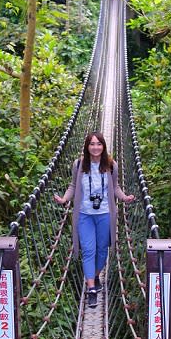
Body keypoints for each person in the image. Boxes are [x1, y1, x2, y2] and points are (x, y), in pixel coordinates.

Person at [54, 132, 135, 308]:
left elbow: (116, 187)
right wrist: (64, 199)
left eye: (99, 144)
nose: (95, 147)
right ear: (87, 146)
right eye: (92, 144)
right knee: (89, 250)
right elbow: (73, 186)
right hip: (84, 215)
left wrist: (124, 198)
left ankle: (96, 275)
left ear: (104, 146)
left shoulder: (111, 165)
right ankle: (91, 288)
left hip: (105, 214)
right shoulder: (79, 165)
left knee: (102, 251)